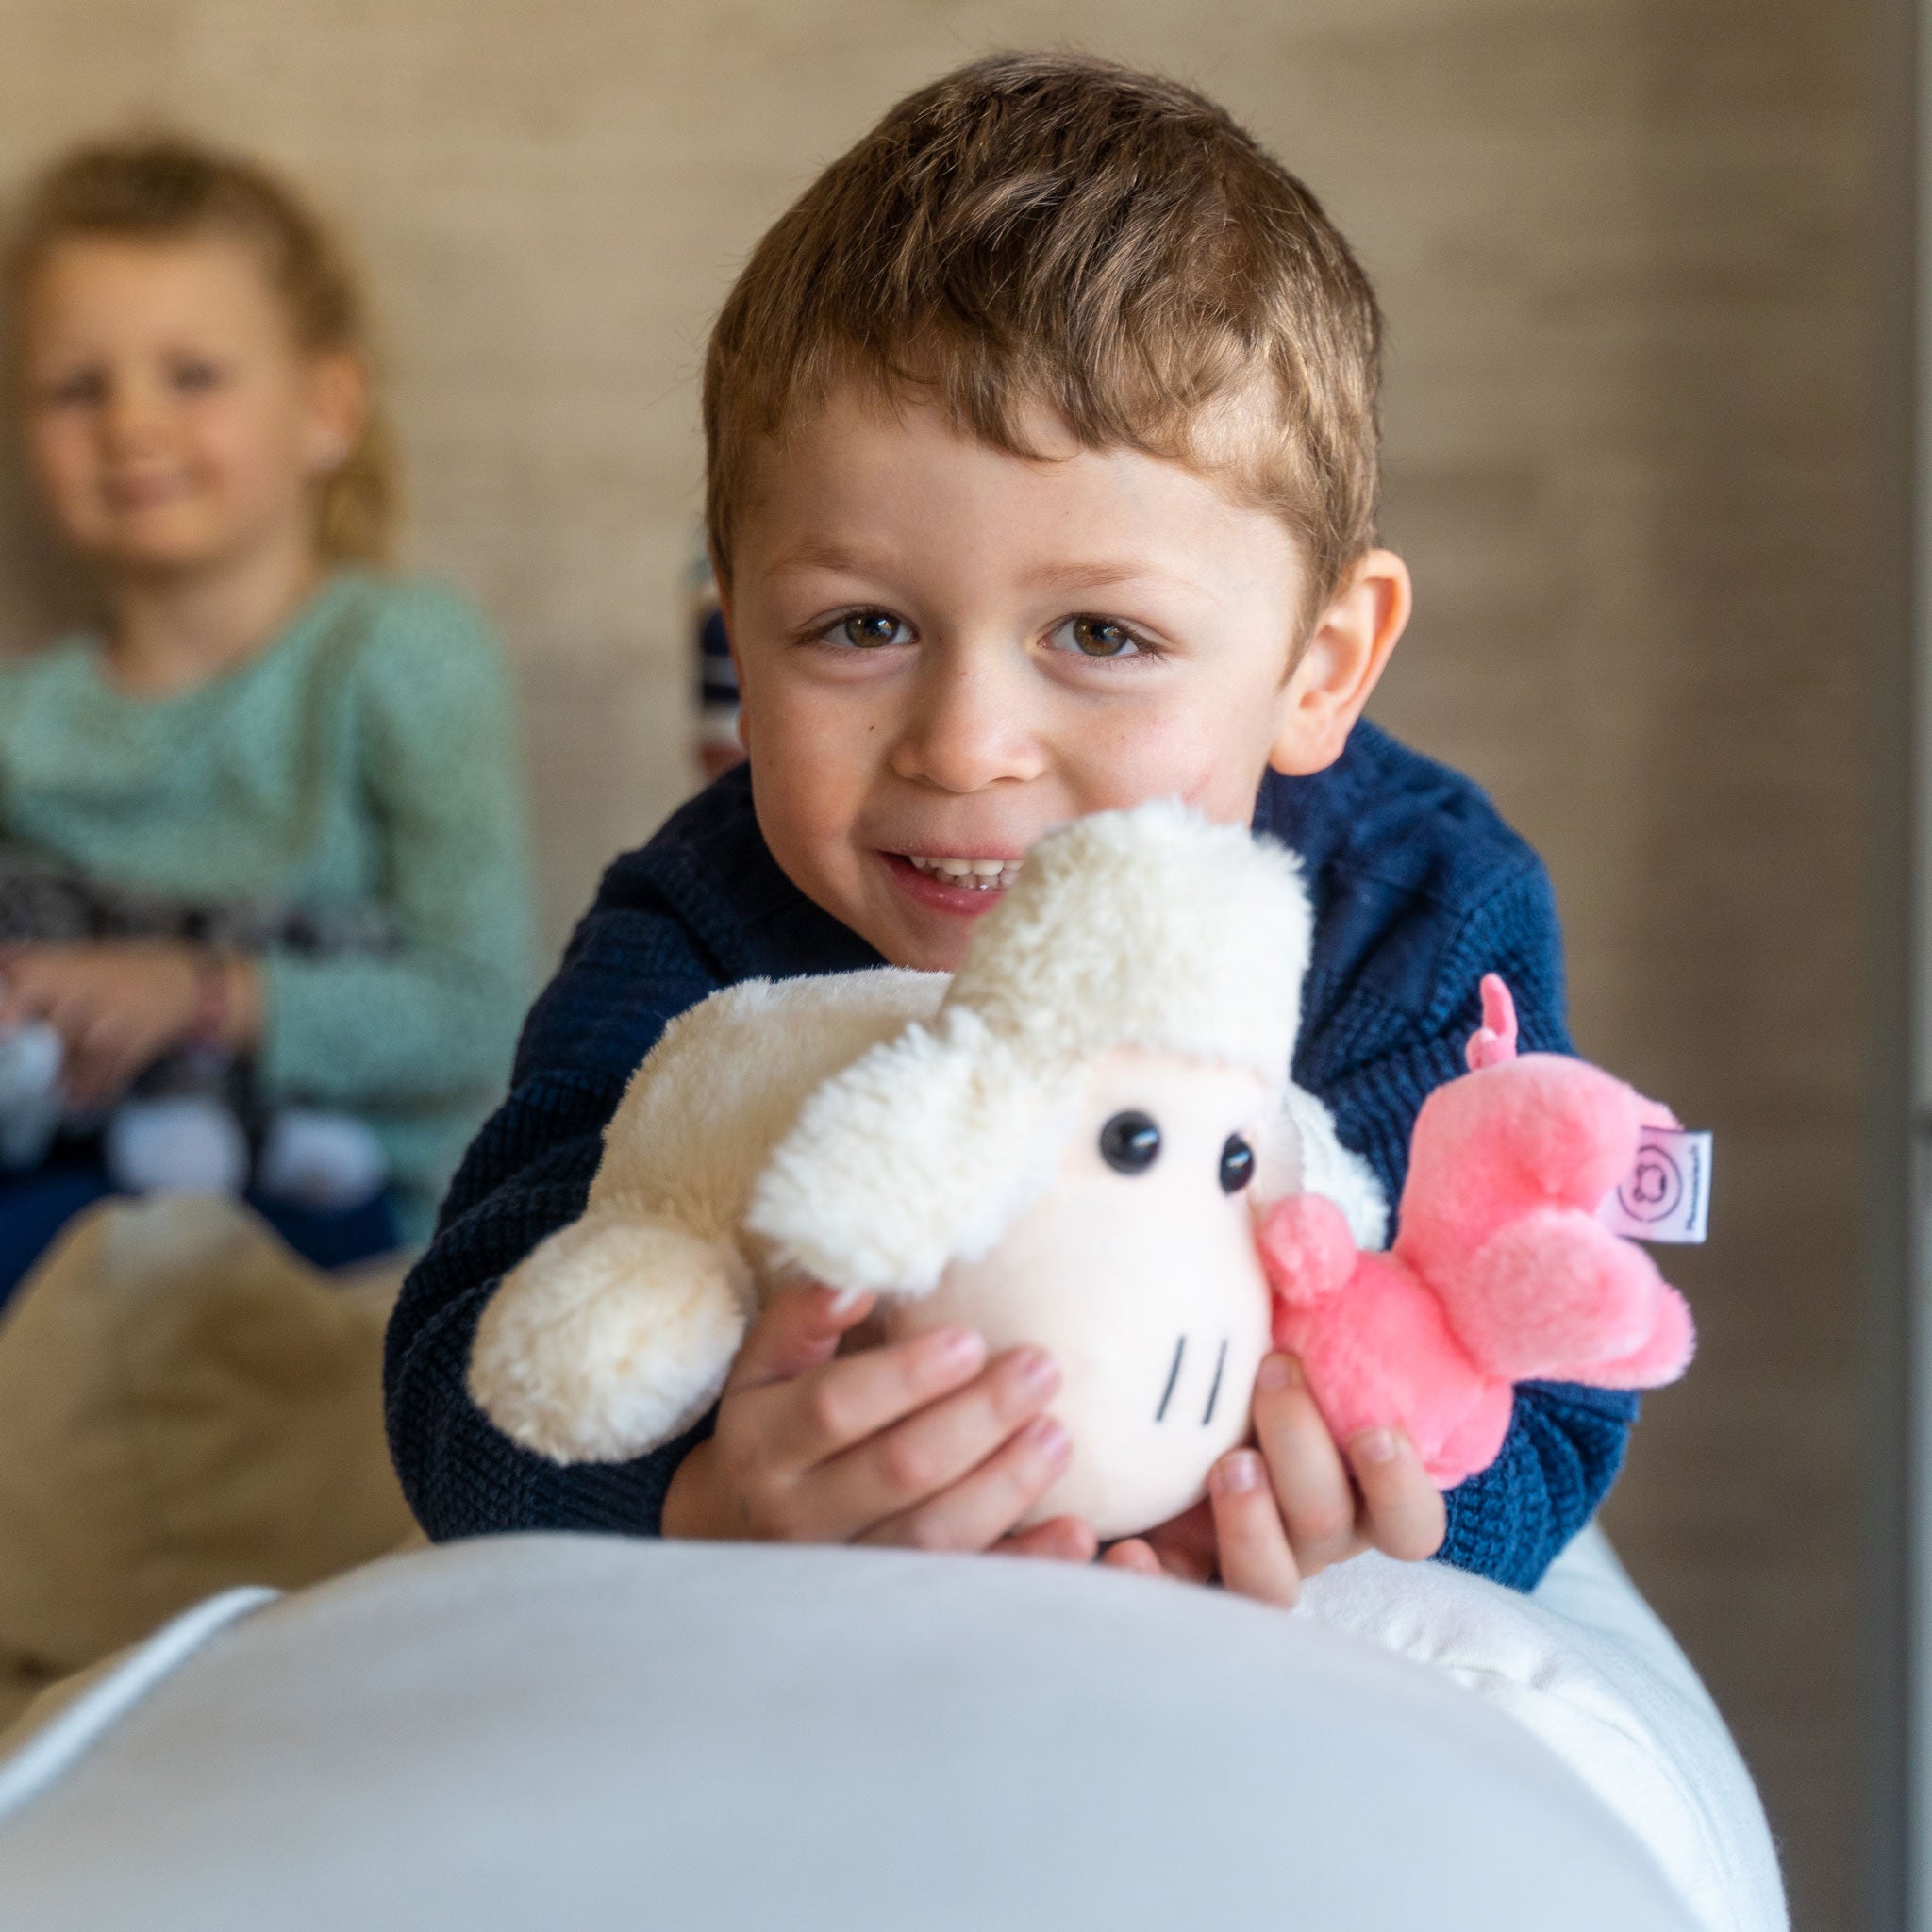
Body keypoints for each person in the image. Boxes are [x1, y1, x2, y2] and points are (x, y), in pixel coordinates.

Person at [387, 54, 1633, 1601]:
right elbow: (462, 1350)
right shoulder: (700, 928)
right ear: (737, 628)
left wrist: (1396, 1502)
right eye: (857, 626)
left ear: (1317, 669)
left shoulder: (1414, 911)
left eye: (1100, 637)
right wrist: (697, 1495)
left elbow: (1552, 1372)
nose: (963, 747)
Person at [0, 134, 536, 1298]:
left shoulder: (393, 657)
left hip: (337, 1208)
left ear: (325, 406)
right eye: (76, 386)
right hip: (61, 1174)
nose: (131, 423)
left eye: (192, 374)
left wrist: (199, 994)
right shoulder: (18, 726)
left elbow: (479, 1009)